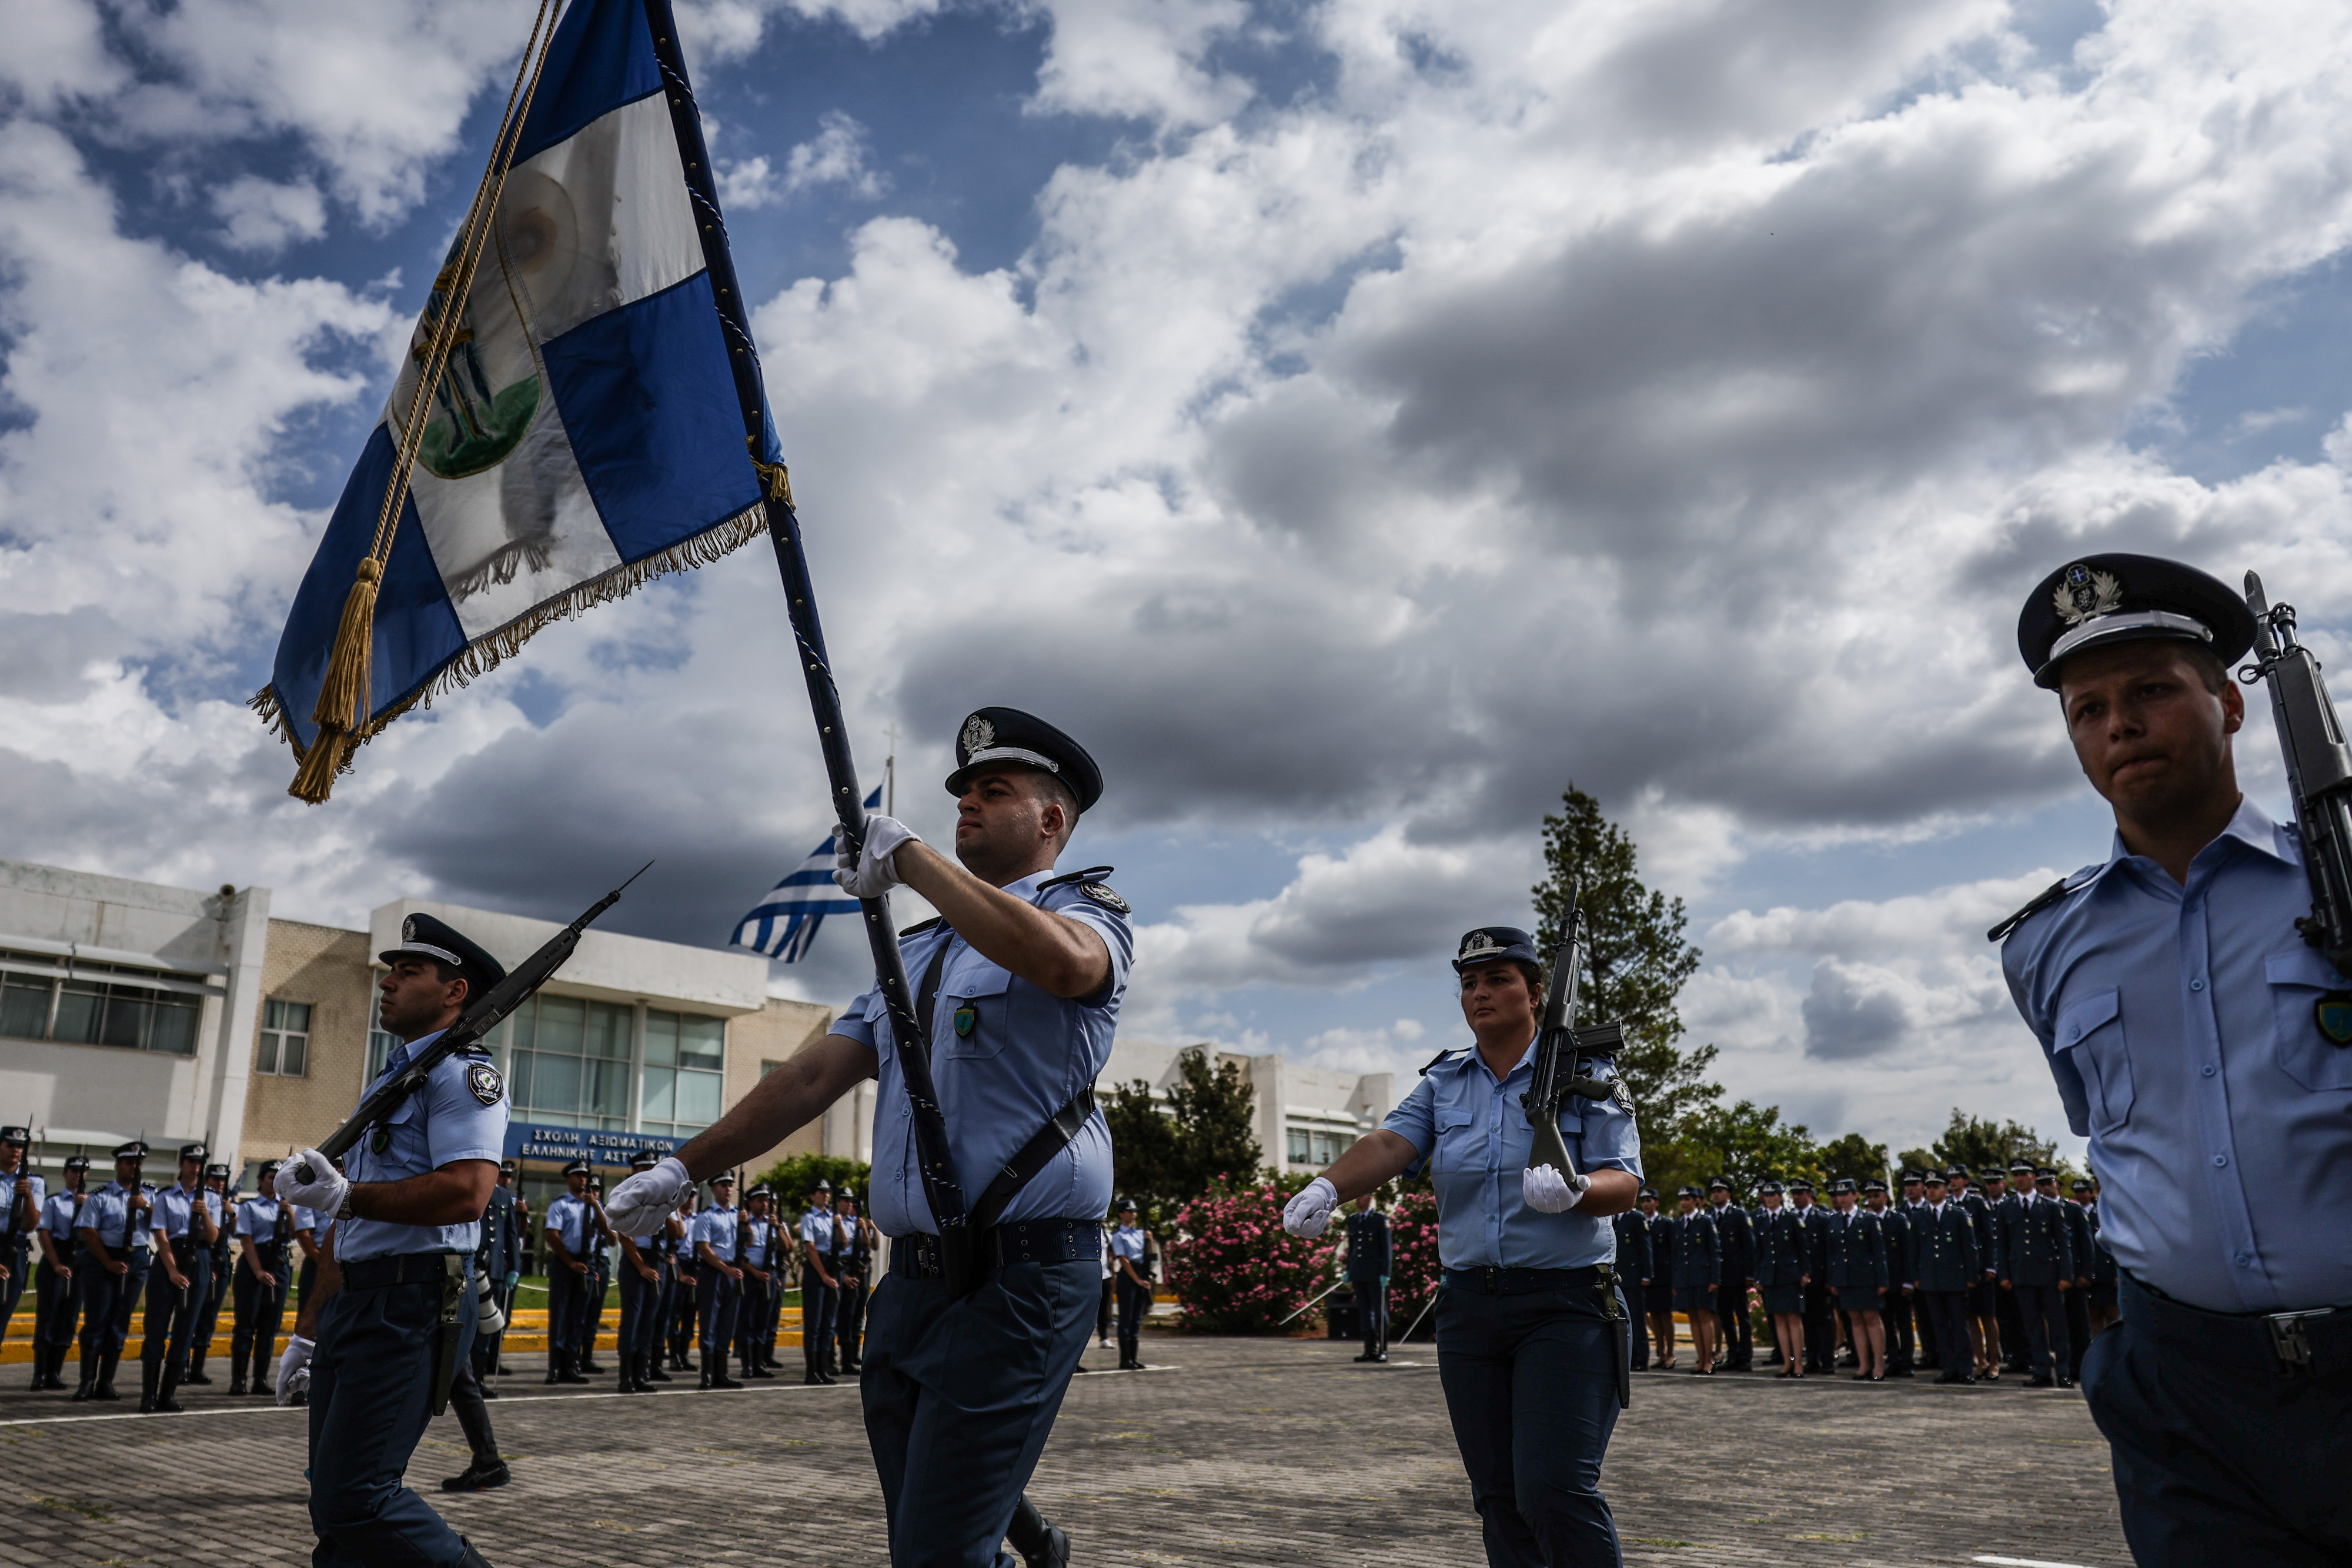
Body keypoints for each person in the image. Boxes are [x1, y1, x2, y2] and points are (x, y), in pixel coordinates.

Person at [604, 707, 1127, 1568]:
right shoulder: (915, 950)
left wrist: (913, 860)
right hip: (916, 1282)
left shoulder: (1086, 909)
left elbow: (1067, 966)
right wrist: (679, 1168)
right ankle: (1027, 1540)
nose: (966, 803)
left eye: (993, 791)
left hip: (1023, 1276)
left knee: (935, 1552)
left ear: (1051, 820)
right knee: (928, 1528)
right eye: (959, 791)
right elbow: (813, 1076)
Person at [1995, 551, 2352, 1562]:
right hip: (2185, 1396)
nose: (2119, 724)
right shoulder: (2044, 945)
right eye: (2087, 707)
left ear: (2230, 704)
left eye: (2152, 689)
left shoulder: (2336, 882)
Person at [1279, 924, 1640, 1567]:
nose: (1479, 993)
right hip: (1471, 1310)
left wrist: (1579, 1188)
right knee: (1498, 1496)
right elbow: (1392, 1144)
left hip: (1567, 1306)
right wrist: (1326, 1187)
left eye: (1498, 979)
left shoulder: (1588, 1074)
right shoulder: (1445, 1082)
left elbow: (1626, 1182)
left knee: (1553, 1490)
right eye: (1468, 982)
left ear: (1536, 993)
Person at [272, 912, 509, 1568]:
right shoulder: (390, 1080)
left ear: (455, 991)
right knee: (333, 1508)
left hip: (415, 1299)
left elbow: (467, 1192)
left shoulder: (462, 1076)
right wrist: (309, 1330)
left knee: (360, 1499)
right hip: (359, 1300)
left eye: (409, 973)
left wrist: (347, 1195)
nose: (388, 983)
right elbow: (347, 1225)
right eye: (389, 972)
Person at [139, 1140, 221, 1412]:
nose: (196, 1168)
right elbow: (161, 1237)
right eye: (191, 1162)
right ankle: (148, 1396)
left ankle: (168, 1395)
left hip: (200, 1258)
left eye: (200, 1164)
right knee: (156, 1327)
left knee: (186, 1329)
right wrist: (172, 1270)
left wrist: (205, 1213)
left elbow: (213, 1237)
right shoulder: (165, 1197)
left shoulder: (211, 1198)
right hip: (170, 1258)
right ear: (181, 1164)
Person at [75, 1141, 152, 1402]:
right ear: (118, 1165)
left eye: (138, 1162)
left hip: (137, 1259)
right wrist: (107, 1262)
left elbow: (163, 1225)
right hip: (103, 1259)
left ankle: (106, 1382)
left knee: (120, 1322)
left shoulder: (149, 1195)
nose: (134, 1167)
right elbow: (88, 1230)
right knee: (97, 1322)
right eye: (129, 1162)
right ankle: (87, 1381)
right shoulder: (100, 1196)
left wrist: (145, 1207)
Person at [1999, 1162, 2075, 1388]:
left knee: (2058, 1326)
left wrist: (2066, 1275)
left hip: (2049, 1276)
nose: (2020, 1179)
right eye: (2016, 1176)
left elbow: (2063, 1244)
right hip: (2021, 1276)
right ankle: (2041, 1370)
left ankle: (2063, 1371)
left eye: (2024, 1175)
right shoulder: (2007, 1207)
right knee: (2032, 1326)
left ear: (2033, 1177)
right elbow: (2002, 1245)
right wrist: (2005, 1274)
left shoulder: (2050, 1207)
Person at [616, 1149, 678, 1393]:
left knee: (649, 1321)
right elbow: (624, 1236)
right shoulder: (626, 1198)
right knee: (632, 1320)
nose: (648, 1174)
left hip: (658, 1262)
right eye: (643, 1169)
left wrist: (664, 1208)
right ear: (634, 1172)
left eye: (652, 1169)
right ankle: (625, 1377)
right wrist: (641, 1267)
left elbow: (678, 1234)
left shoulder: (663, 1199)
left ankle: (641, 1375)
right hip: (636, 1265)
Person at [1909, 1172, 1979, 1385]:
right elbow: (1914, 1250)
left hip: (1955, 1278)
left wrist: (1971, 1275)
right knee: (1939, 1326)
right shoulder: (1919, 1216)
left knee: (1959, 1326)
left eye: (1936, 1187)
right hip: (1931, 1278)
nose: (1931, 1191)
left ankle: (1965, 1369)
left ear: (1946, 1191)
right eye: (1929, 1187)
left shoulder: (1959, 1215)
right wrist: (1916, 1276)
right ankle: (1949, 1368)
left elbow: (1970, 1248)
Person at [230, 1161, 293, 1396]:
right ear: (260, 1180)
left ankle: (261, 1379)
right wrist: (257, 1271)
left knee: (269, 1326)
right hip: (255, 1262)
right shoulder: (249, 1207)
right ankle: (239, 1380)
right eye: (269, 1177)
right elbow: (246, 1239)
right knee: (246, 1326)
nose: (273, 1181)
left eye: (278, 1177)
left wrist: (290, 1212)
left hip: (279, 1263)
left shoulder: (285, 1206)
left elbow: (294, 1234)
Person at [31, 1152, 88, 1390]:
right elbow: (44, 1234)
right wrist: (56, 1264)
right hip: (56, 1258)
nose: (78, 1175)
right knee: (48, 1317)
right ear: (65, 1174)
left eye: (83, 1171)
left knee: (69, 1319)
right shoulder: (54, 1202)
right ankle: (40, 1374)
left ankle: (55, 1373)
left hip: (79, 1262)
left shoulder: (92, 1202)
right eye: (74, 1171)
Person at [1823, 1179, 1888, 1381]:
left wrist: (1883, 1279)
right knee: (1855, 1322)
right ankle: (1863, 1364)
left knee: (1872, 1320)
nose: (1841, 1198)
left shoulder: (1868, 1219)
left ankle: (1878, 1364)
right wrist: (1833, 1279)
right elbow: (1832, 1254)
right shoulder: (1834, 1220)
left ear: (1855, 1195)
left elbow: (1879, 1252)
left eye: (1846, 1194)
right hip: (1845, 1278)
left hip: (1866, 1277)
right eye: (1838, 1195)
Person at [542, 1161, 596, 1386]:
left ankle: (571, 1366)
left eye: (585, 1175)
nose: (583, 1179)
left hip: (587, 1265)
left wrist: (597, 1207)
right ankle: (555, 1368)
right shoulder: (561, 1205)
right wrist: (570, 1262)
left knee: (578, 1318)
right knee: (561, 1316)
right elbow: (553, 1235)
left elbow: (608, 1234)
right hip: (566, 1264)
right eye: (578, 1175)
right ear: (568, 1179)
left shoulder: (594, 1206)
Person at [691, 1173, 744, 1390]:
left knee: (727, 1323)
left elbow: (748, 1242)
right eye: (723, 1185)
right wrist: (725, 1269)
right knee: (709, 1323)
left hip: (732, 1271)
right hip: (713, 1272)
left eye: (730, 1186)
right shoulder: (706, 1216)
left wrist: (746, 1224)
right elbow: (704, 1248)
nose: (728, 1189)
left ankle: (722, 1373)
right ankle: (707, 1374)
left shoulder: (738, 1215)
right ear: (713, 1189)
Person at [1750, 1181, 1808, 1378]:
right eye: (1766, 1196)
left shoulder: (1791, 1218)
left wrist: (1805, 1272)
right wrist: (1758, 1276)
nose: (1770, 1199)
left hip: (1790, 1275)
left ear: (1781, 1197)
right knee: (1779, 1321)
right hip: (1770, 1276)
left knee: (1793, 1319)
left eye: (1774, 1195)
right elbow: (1759, 1251)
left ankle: (1798, 1363)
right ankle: (1786, 1362)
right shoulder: (1760, 1220)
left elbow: (1802, 1247)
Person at [474, 1161, 523, 1382]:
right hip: (477, 1267)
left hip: (497, 1271)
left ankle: (481, 1376)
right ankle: (472, 1377)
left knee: (492, 1325)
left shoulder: (504, 1197)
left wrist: (514, 1267)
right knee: (475, 1328)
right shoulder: (476, 1187)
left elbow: (511, 1235)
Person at [186, 1161, 233, 1386]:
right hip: (202, 1258)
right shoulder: (202, 1200)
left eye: (223, 1180)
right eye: (216, 1179)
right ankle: (182, 1364)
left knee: (209, 1318)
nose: (220, 1184)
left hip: (221, 1261)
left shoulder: (228, 1204)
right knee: (191, 1315)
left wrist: (232, 1213)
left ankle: (198, 1367)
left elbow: (237, 1232)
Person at [1865, 1179, 1915, 1378]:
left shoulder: (1898, 1221)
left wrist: (1909, 1281)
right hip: (1878, 1284)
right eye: (1869, 1197)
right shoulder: (1866, 1221)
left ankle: (1907, 1361)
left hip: (1898, 1281)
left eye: (1876, 1196)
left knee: (1904, 1324)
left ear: (1885, 1198)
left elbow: (1908, 1253)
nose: (1873, 1200)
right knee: (1886, 1324)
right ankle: (1893, 1359)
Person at [0, 1126, 44, 1354]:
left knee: (3, 1318)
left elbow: (31, 1224)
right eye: (11, 1145)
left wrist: (27, 1195)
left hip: (15, 1249)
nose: (16, 1151)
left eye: (21, 1147)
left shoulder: (34, 1182)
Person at [1668, 1187, 1719, 1375]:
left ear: (1696, 1201)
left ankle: (1709, 1360)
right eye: (1681, 1199)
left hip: (1703, 1277)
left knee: (1705, 1318)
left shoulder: (1705, 1221)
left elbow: (1714, 1251)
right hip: (1685, 1278)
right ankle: (1701, 1359)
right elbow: (1677, 1255)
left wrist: (1715, 1279)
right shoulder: (1679, 1224)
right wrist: (1676, 1280)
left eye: (1687, 1199)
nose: (1683, 1203)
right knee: (1693, 1319)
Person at [1704, 1178, 1753, 1372]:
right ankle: (1733, 1354)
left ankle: (1746, 1357)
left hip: (1737, 1274)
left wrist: (1750, 1274)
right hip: (1719, 1276)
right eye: (1714, 1191)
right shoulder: (1709, 1217)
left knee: (1743, 1317)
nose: (1716, 1194)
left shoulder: (1739, 1215)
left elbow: (1749, 1246)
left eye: (1720, 1191)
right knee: (1725, 1318)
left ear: (1728, 1194)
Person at [799, 1177, 841, 1385]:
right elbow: (810, 1247)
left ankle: (824, 1369)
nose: (825, 1195)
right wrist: (824, 1275)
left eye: (827, 1192)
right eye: (820, 1191)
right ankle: (811, 1371)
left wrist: (840, 1227)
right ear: (811, 1196)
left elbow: (845, 1243)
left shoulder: (833, 1217)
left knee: (828, 1323)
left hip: (832, 1266)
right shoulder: (809, 1218)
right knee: (814, 1324)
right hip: (817, 1270)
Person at [1788, 1179, 1833, 1372]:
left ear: (1810, 1195)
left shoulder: (1822, 1219)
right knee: (1807, 1322)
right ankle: (1812, 1359)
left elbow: (1829, 1251)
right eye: (1794, 1193)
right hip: (1798, 1279)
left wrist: (1829, 1279)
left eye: (1801, 1193)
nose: (1797, 1197)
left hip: (1819, 1278)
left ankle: (1827, 1360)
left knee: (1823, 1321)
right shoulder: (1789, 1218)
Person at [737, 1184, 781, 1380]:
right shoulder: (744, 1222)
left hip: (768, 1276)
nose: (765, 1204)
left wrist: (778, 1227)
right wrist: (754, 1272)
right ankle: (747, 1365)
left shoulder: (773, 1224)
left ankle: (760, 1363)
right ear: (750, 1203)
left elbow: (787, 1247)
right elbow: (743, 1249)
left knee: (764, 1321)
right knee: (748, 1320)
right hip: (750, 1276)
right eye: (760, 1200)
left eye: (767, 1200)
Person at [1609, 1196, 1652, 1371]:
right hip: (1617, 1277)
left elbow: (1646, 1247)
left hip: (1634, 1277)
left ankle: (1641, 1357)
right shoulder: (1612, 1218)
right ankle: (1628, 1358)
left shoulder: (1636, 1218)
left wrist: (1647, 1275)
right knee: (1621, 1320)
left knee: (1636, 1319)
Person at [834, 1188, 873, 1375]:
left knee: (857, 1315)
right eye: (846, 1201)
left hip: (858, 1269)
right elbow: (843, 1247)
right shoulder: (839, 1222)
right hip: (844, 1269)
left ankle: (852, 1356)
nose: (850, 1206)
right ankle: (843, 1359)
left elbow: (868, 1244)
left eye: (852, 1202)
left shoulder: (856, 1223)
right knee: (846, 1317)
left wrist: (864, 1226)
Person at [1111, 1198, 1153, 1369]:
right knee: (1126, 1318)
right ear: (1121, 1214)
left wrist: (1150, 1240)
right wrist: (1137, 1280)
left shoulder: (1140, 1233)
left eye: (1135, 1211)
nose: (1133, 1214)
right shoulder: (1118, 1235)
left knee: (1136, 1319)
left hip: (1142, 1273)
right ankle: (1125, 1359)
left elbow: (1150, 1256)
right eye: (1130, 1211)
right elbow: (1124, 1260)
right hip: (1129, 1277)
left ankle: (1134, 1358)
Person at [1639, 1188, 1675, 1370]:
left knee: (1666, 1316)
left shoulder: (1666, 1224)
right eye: (1643, 1201)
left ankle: (1670, 1354)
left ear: (1657, 1203)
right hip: (1648, 1279)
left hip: (1664, 1277)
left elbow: (1673, 1252)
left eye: (1650, 1201)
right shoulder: (1640, 1222)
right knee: (1653, 1316)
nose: (1646, 1204)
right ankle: (1661, 1353)